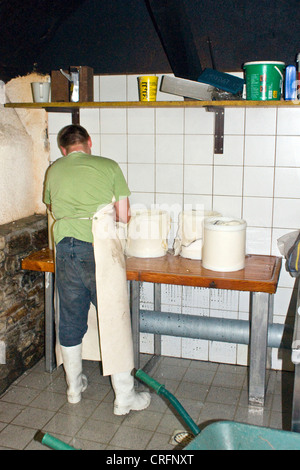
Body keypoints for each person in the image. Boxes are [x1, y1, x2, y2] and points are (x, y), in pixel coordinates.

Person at [43, 124, 150, 415]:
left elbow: (52, 205)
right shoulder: (108, 166)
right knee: (113, 317)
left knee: (70, 316)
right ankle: (124, 398)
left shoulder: (53, 170)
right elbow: (125, 216)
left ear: (63, 149)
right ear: (89, 142)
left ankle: (74, 389)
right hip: (99, 248)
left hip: (65, 248)